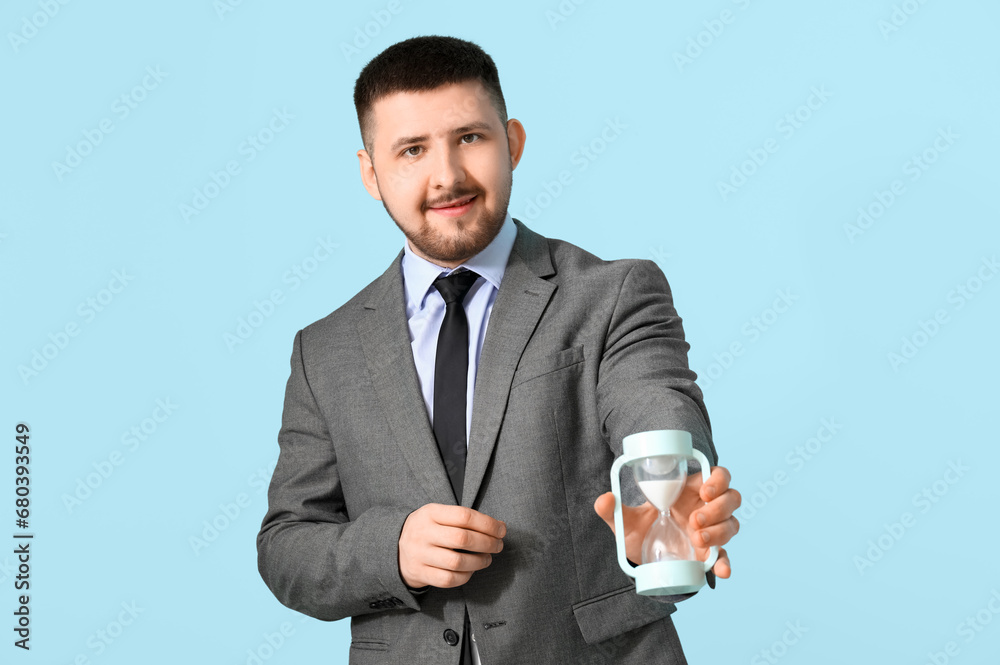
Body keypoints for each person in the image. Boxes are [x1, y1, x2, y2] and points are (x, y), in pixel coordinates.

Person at [256, 35, 741, 664]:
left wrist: (681, 496)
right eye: (411, 150)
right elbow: (287, 546)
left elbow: (656, 409)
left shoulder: (612, 294)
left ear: (511, 142)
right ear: (371, 173)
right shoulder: (324, 351)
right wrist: (392, 551)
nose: (448, 176)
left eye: (470, 138)